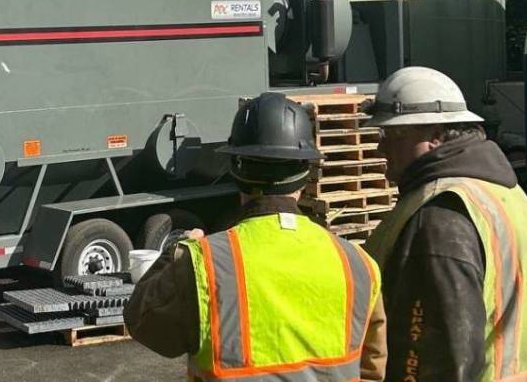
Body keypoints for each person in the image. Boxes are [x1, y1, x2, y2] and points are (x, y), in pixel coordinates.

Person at [125, 92, 387, 381]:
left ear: (236, 169)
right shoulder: (359, 265)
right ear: (306, 170)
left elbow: (144, 322)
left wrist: (175, 252)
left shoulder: (205, 264)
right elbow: (372, 369)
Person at [364, 66, 527, 382]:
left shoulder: (440, 217)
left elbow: (441, 361)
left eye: (392, 135)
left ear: (435, 135)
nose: (380, 148)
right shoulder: (502, 189)